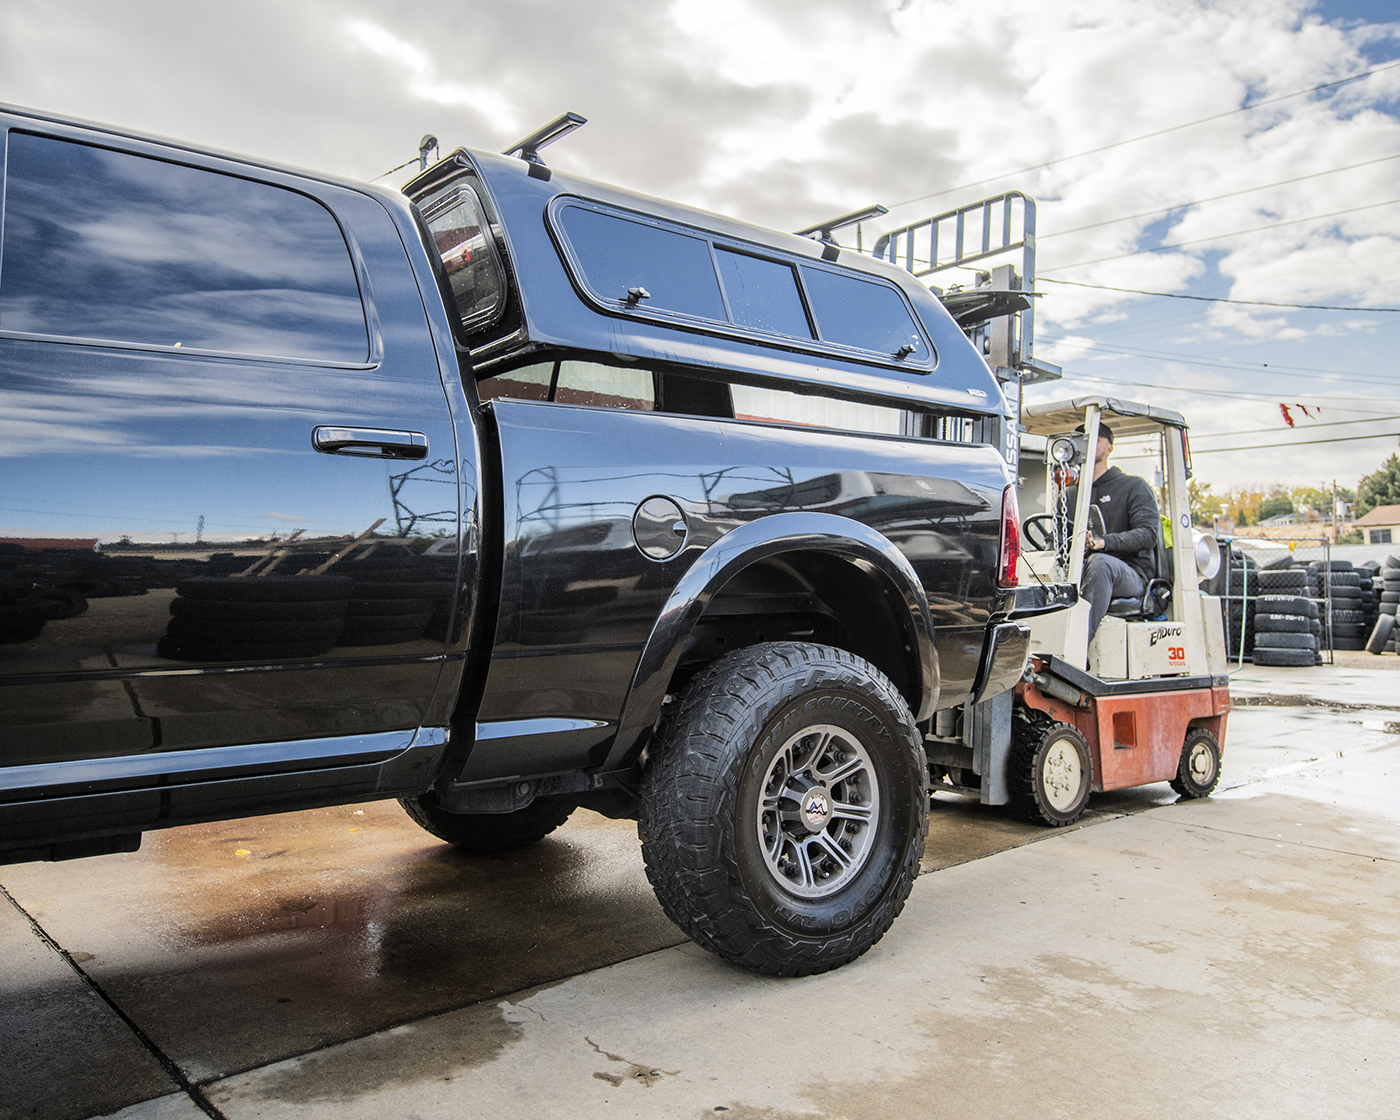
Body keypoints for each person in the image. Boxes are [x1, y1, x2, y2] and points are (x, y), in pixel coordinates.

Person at [1063, 422, 1161, 640]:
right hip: (1082, 570)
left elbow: (1148, 534)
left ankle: (1076, 647)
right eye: (1081, 441)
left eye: (1095, 440)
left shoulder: (1132, 486)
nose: (1086, 446)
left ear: (1110, 448)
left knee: (1100, 563)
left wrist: (1105, 542)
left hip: (1129, 574)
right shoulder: (1070, 495)